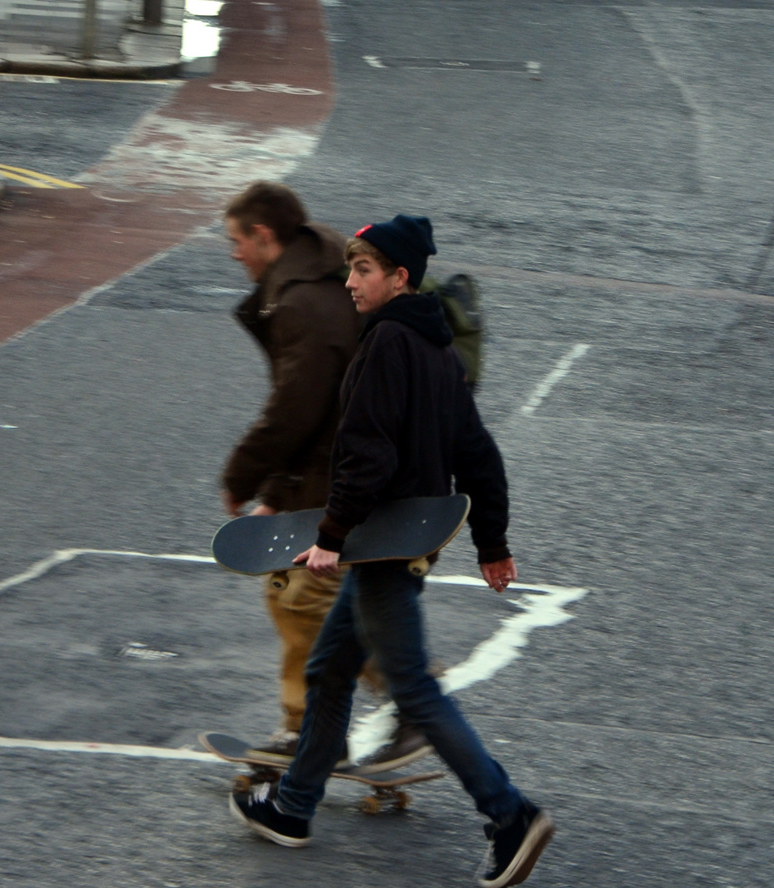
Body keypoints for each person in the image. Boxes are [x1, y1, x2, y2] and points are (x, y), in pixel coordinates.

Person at [229, 216, 555, 888]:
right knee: (328, 669)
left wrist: (330, 537)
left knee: (414, 690)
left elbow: (364, 456)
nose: (350, 282)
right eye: (349, 268)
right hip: (406, 541)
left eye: (363, 270)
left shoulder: (384, 347)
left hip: (379, 547)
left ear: (398, 276)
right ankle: (292, 807)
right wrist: (491, 541)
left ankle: (509, 815)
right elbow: (478, 455)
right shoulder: (437, 351)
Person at [219, 183, 361, 763]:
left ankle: (406, 698)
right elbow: (315, 407)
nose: (233, 254)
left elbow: (297, 408)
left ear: (264, 236)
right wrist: (276, 493)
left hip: (356, 471)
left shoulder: (303, 302)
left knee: (308, 596)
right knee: (289, 590)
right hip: (333, 465)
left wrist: (243, 475)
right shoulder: (309, 278)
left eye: (236, 241)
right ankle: (310, 725)